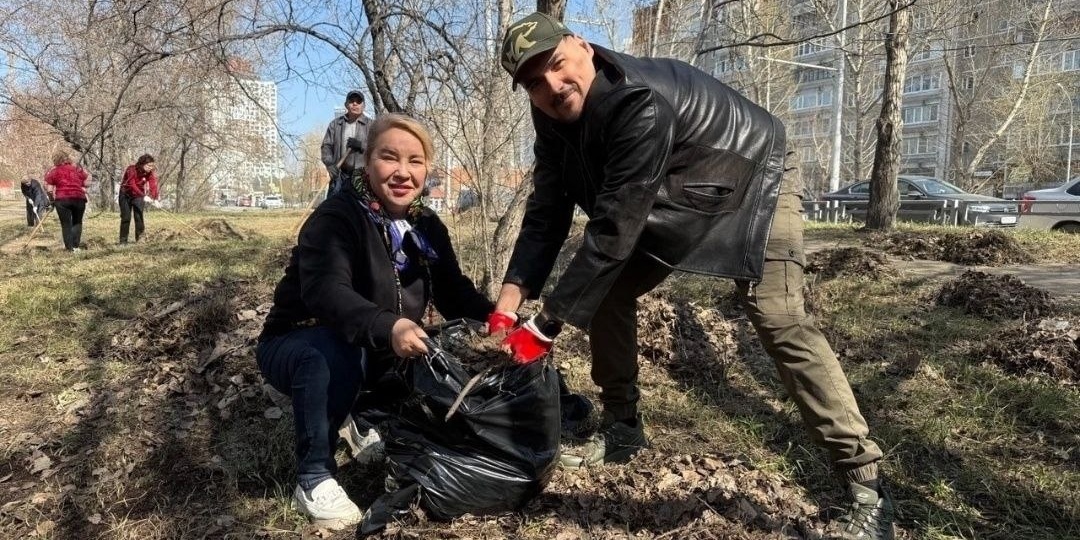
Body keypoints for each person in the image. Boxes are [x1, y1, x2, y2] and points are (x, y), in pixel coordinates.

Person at [494, 12, 894, 540]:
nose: (551, 87)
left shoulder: (638, 100)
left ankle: (865, 481)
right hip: (675, 190)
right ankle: (623, 430)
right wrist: (508, 302)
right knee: (607, 292)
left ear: (582, 47)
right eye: (533, 83)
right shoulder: (551, 117)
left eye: (556, 65)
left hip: (755, 174)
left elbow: (613, 229)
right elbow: (546, 212)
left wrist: (543, 328)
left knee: (777, 318)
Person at [257, 113, 495, 529]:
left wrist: (499, 319)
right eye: (390, 158)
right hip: (300, 344)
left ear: (427, 169)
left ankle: (359, 415)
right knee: (332, 354)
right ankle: (313, 476)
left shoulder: (426, 225)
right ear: (368, 163)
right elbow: (326, 294)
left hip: (379, 350)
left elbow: (455, 291)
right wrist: (391, 326)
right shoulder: (336, 218)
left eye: (416, 161)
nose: (403, 172)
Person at [320, 90, 371, 196]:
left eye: (358, 101)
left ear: (364, 106)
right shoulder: (335, 125)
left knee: (361, 209)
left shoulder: (371, 126)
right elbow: (326, 146)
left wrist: (361, 146)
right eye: (352, 101)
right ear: (346, 105)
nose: (355, 104)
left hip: (363, 177)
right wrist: (330, 165)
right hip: (340, 175)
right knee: (335, 207)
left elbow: (378, 149)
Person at [43, 150, 91, 252]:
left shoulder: (54, 171)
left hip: (62, 200)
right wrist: (81, 185)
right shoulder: (77, 169)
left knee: (66, 224)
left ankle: (69, 249)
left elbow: (50, 190)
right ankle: (76, 247)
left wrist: (52, 201)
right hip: (79, 198)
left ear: (55, 160)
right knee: (77, 222)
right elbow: (87, 182)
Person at [118, 154, 161, 244]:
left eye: (152, 166)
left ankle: (140, 240)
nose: (150, 168)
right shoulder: (131, 169)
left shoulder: (149, 173)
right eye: (149, 165)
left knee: (139, 217)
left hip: (138, 196)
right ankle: (123, 241)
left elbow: (153, 184)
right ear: (142, 164)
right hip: (125, 194)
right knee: (126, 218)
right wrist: (143, 196)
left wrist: (155, 198)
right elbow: (131, 184)